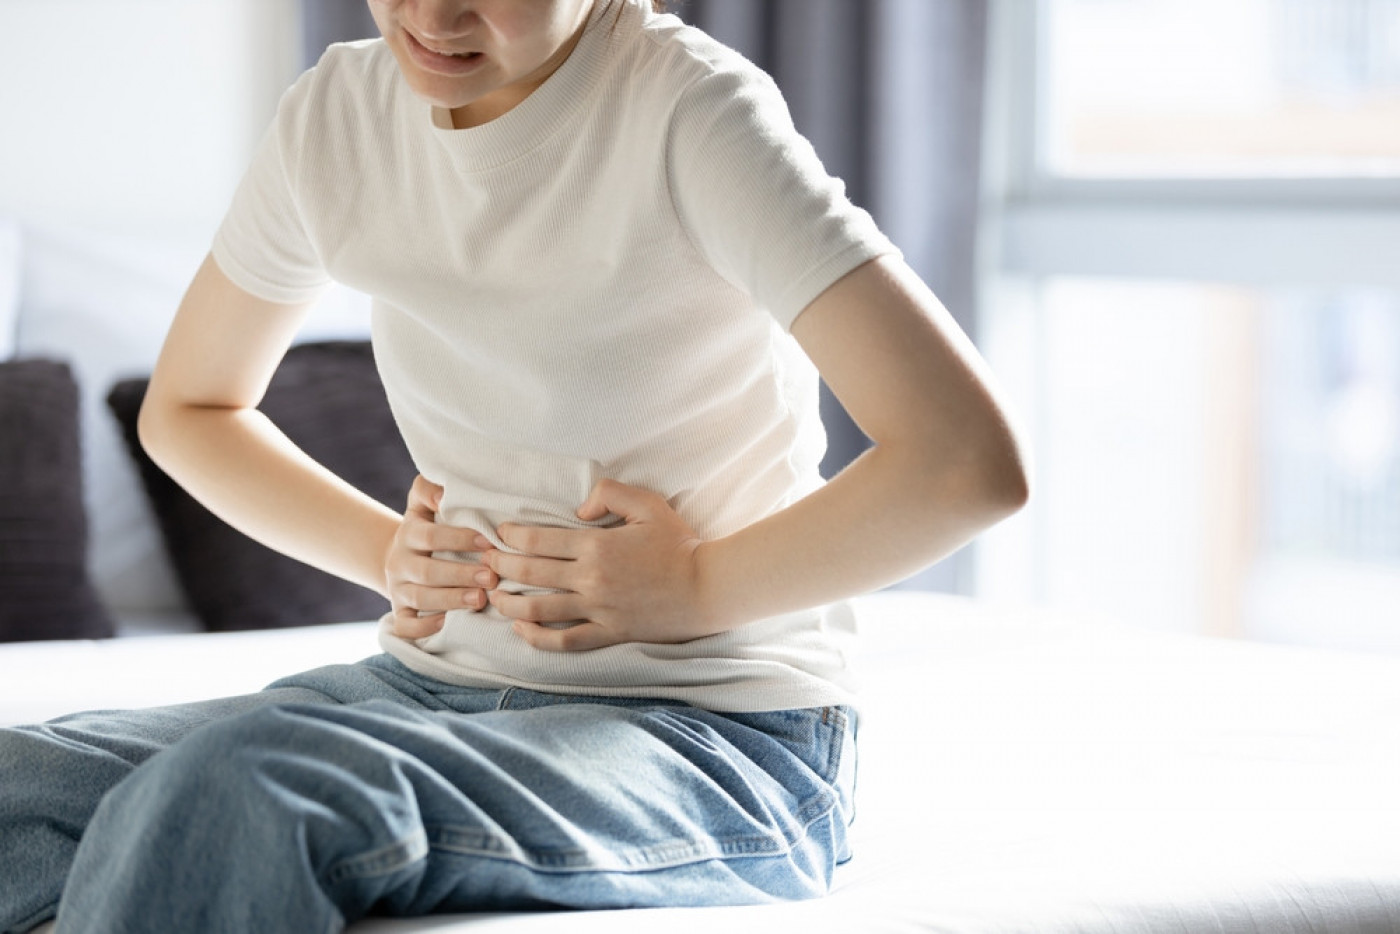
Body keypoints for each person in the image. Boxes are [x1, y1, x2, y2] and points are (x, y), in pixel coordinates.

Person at [0, 0, 1028, 931]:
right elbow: (191, 408)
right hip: (422, 690)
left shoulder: (690, 113)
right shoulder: (337, 117)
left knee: (248, 786)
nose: (436, 13)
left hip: (714, 739)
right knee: (15, 783)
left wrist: (692, 587)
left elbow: (965, 461)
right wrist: (381, 551)